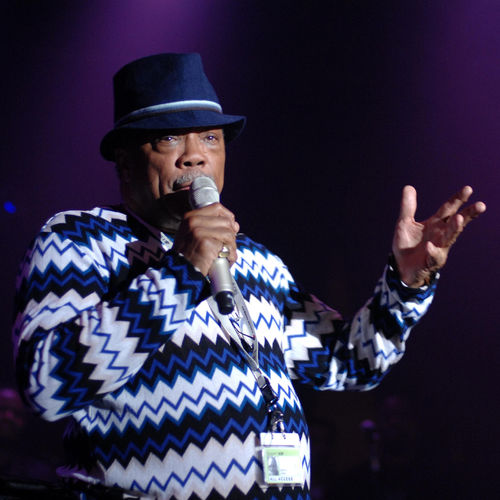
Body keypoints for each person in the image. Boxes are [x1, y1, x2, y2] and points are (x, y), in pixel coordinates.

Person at [12, 53, 486, 499]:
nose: (194, 156)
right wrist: (182, 273)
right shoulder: (80, 239)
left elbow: (351, 363)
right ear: (124, 158)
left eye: (210, 138)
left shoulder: (257, 261)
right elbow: (47, 384)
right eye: (169, 139)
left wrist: (405, 285)